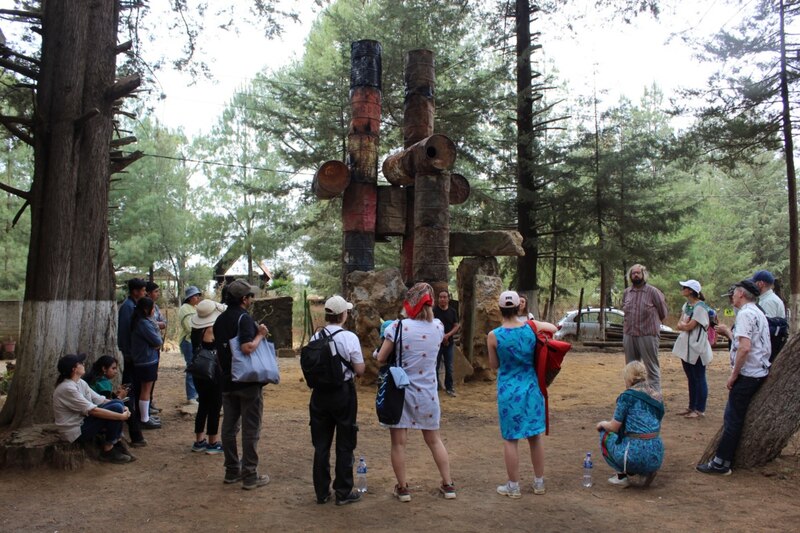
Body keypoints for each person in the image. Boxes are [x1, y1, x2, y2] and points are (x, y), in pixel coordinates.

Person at [376, 282, 456, 502]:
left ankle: (403, 489)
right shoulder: (439, 326)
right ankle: (448, 485)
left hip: (401, 394)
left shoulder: (397, 328)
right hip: (428, 393)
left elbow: (381, 357)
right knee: (434, 440)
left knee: (399, 442)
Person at [697, 279, 771, 476]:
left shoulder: (746, 314)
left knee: (732, 419)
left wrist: (734, 375)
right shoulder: (757, 312)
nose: (731, 298)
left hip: (748, 374)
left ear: (741, 294)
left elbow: (745, 348)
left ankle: (722, 462)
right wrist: (730, 333)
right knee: (734, 417)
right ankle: (723, 460)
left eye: (733, 294)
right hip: (759, 370)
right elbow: (748, 343)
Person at [487, 290, 556, 498]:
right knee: (534, 437)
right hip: (532, 387)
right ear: (519, 307)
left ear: (499, 309)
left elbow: (494, 364)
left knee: (510, 438)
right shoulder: (530, 328)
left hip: (508, 390)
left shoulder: (494, 335)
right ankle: (539, 482)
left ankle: (513, 486)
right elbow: (553, 328)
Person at [214, 279, 271, 490]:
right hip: (247, 381)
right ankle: (250, 475)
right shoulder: (244, 319)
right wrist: (260, 335)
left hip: (227, 381)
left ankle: (231, 471)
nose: (252, 300)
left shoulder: (220, 320)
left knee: (229, 428)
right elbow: (247, 347)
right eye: (250, 296)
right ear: (244, 299)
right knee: (250, 428)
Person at [308, 295, 365, 506]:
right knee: (345, 442)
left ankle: (321, 492)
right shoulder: (349, 338)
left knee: (321, 444)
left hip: (319, 395)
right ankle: (343, 491)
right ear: (343, 315)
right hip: (343, 394)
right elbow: (359, 370)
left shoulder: (315, 337)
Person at [52, 353, 133, 464]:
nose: (83, 364)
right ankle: (108, 450)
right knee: (116, 408)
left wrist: (123, 407)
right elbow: (93, 411)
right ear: (74, 369)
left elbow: (100, 399)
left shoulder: (80, 382)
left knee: (117, 404)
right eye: (80, 363)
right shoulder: (67, 388)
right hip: (75, 431)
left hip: (84, 422)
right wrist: (121, 416)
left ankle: (116, 443)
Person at [597, 361, 664, 487]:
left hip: (634, 452)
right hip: (656, 453)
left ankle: (621, 475)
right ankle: (647, 472)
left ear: (629, 377)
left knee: (605, 433)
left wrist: (602, 423)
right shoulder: (657, 396)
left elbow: (614, 427)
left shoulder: (627, 396)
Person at [622, 264, 669, 391]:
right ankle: (633, 396)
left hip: (648, 334)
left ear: (644, 275)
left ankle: (655, 398)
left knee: (651, 367)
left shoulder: (653, 292)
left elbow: (663, 312)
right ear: (630, 276)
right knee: (631, 368)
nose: (635, 275)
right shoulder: (627, 292)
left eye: (638, 273)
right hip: (629, 334)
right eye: (633, 273)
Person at [671, 280, 713, 418]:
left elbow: (689, 326)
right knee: (691, 377)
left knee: (699, 377)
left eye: (685, 287)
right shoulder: (687, 306)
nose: (682, 289)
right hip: (686, 347)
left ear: (691, 290)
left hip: (697, 347)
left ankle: (700, 409)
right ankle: (691, 406)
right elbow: (680, 324)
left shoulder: (700, 308)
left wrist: (685, 325)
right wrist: (685, 325)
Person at [189, 299, 226, 455]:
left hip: (199, 370)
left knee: (203, 404)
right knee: (215, 405)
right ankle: (212, 442)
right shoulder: (212, 329)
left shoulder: (195, 330)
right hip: (213, 371)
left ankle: (199, 440)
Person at [117, 277, 146, 447]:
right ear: (135, 291)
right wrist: (129, 354)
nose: (143, 293)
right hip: (131, 357)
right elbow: (125, 334)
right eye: (142, 290)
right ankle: (134, 432)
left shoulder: (133, 306)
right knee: (129, 393)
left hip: (135, 356)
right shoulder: (128, 308)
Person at [130, 296, 163, 430]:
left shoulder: (140, 321)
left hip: (144, 359)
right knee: (145, 390)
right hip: (147, 360)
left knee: (144, 389)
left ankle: (145, 415)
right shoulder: (144, 323)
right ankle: (144, 419)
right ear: (146, 309)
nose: (154, 312)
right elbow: (157, 341)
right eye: (153, 309)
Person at [433, 289, 460, 397]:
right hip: (437, 343)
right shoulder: (434, 311)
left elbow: (456, 325)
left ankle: (449, 387)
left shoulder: (452, 311)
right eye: (440, 297)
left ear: (448, 299)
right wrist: (440, 337)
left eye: (445, 297)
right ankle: (435, 388)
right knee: (435, 365)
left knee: (449, 366)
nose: (442, 299)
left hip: (449, 343)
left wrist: (448, 335)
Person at [145, 281, 166, 415]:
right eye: (156, 291)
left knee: (153, 377)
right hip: (148, 348)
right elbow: (153, 324)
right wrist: (158, 324)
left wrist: (159, 324)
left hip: (155, 347)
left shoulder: (156, 307)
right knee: (146, 380)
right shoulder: (144, 308)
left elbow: (163, 322)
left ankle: (150, 402)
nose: (158, 294)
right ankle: (145, 408)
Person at [179, 285, 202, 405]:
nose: (197, 297)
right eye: (195, 295)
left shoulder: (194, 307)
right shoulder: (185, 308)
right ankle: (191, 395)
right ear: (190, 297)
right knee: (191, 367)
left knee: (197, 367)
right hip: (188, 341)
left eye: (198, 295)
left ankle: (196, 393)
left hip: (195, 341)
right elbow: (189, 327)